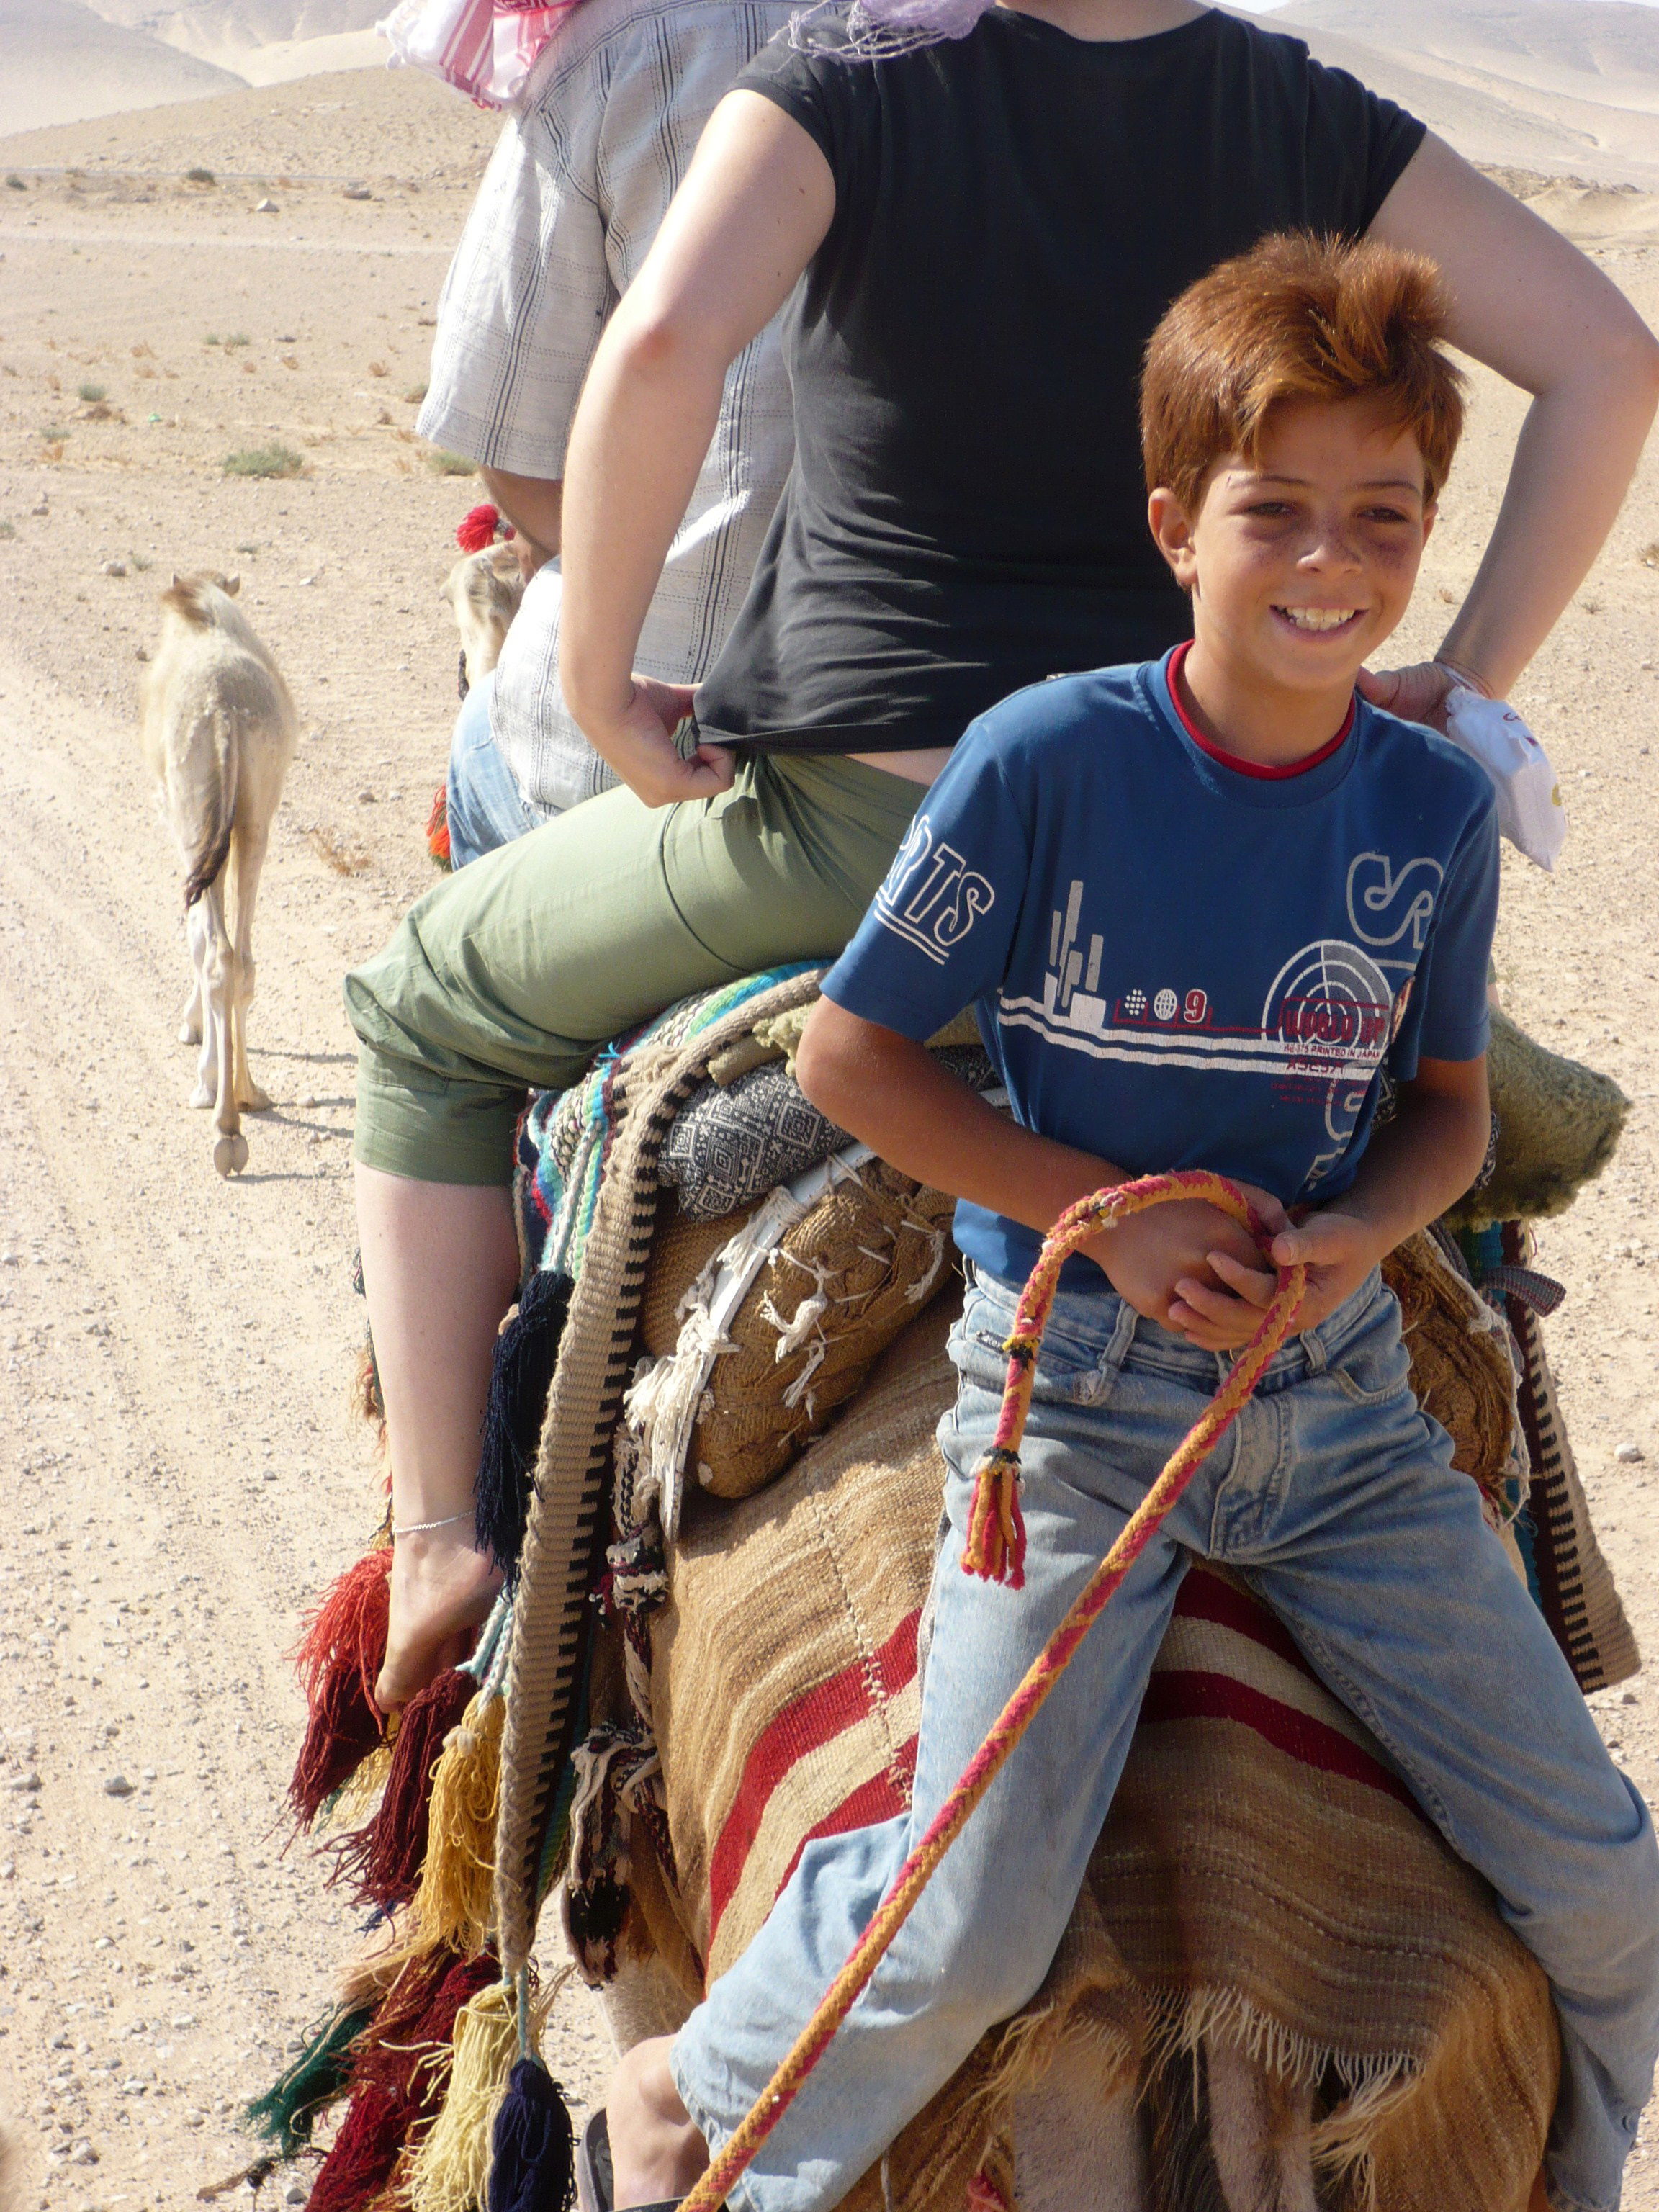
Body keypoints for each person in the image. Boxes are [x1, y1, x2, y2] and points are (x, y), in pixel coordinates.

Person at [346, 0, 1659, 1717]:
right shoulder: (1302, 110)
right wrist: (1456, 678)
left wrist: (600, 676)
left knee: (422, 1008)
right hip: (1203, 843)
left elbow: (661, 343)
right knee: (1437, 1112)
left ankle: (445, 1530)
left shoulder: (843, 80)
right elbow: (1611, 359)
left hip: (869, 831)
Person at [595, 233, 1659, 2212]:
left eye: (1384, 516)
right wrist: (1115, 1222)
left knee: (1606, 1882)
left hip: (1333, 1418)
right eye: (1277, 512)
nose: (1330, 561)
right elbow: (852, 1061)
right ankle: (693, 2109)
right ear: (1178, 525)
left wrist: (1366, 1235)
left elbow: (1438, 1116)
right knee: (981, 1929)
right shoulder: (1048, 762)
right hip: (1076, 1416)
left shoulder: (1428, 812)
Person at [418, 0, 798, 865]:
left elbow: (511, 446)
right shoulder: (1004, 39)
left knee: (480, 752)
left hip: (653, 740)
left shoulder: (619, 44)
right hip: (982, 749)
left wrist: (593, 559)